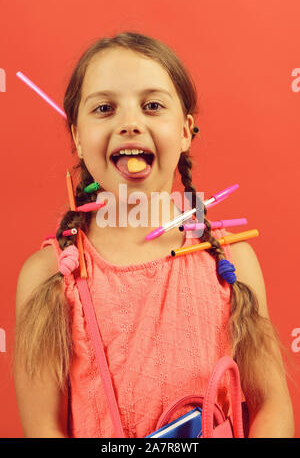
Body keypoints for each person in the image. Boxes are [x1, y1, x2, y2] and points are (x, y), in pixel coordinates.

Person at [14, 31, 294, 438]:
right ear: (77, 135)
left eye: (152, 106)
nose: (130, 123)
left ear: (184, 130)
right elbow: (43, 427)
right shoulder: (49, 276)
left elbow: (273, 408)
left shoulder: (231, 262)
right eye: (105, 108)